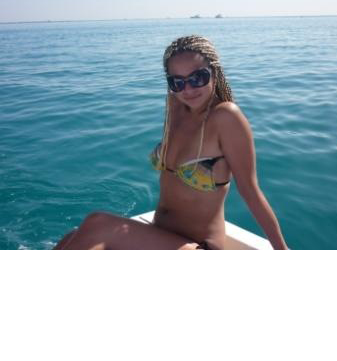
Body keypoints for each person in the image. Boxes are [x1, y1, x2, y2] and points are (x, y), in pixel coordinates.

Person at [53, 35, 289, 249]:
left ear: (214, 73)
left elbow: (251, 192)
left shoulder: (225, 116)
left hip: (199, 247)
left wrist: (282, 251)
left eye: (198, 78)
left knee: (97, 223)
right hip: (161, 235)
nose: (188, 89)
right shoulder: (177, 109)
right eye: (177, 82)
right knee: (71, 238)